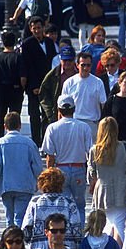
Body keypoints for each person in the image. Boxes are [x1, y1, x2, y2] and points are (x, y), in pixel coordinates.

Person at [40, 95, 93, 226]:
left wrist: (49, 172)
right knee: (80, 205)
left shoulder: (52, 128)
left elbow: (50, 155)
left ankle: (65, 232)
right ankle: (79, 233)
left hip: (61, 169)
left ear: (59, 110)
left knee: (63, 204)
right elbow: (90, 152)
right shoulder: (83, 127)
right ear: (74, 109)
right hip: (79, 168)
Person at [0, 112, 43, 227]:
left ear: (5, 126)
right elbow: (37, 166)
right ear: (20, 125)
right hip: (24, 186)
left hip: (6, 186)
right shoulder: (29, 144)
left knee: (9, 218)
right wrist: (41, 183)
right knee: (20, 217)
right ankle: (19, 240)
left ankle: (10, 241)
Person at [88, 116, 126, 242]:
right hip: (121, 188)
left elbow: (91, 173)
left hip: (102, 191)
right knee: (119, 224)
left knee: (104, 225)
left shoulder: (95, 150)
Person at [21, 168, 82, 249]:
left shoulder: (35, 202)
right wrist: (77, 244)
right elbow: (76, 228)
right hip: (65, 248)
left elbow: (26, 227)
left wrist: (29, 241)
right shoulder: (69, 203)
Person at [20, 16, 58, 144]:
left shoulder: (49, 42)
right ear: (30, 29)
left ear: (43, 28)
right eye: (34, 28)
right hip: (34, 86)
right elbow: (27, 66)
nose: (37, 31)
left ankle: (46, 140)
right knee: (34, 115)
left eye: (39, 28)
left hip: (49, 85)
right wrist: (34, 86)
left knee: (48, 114)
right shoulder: (27, 44)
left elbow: (53, 61)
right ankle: (36, 140)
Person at [60, 50, 106, 140]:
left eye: (88, 65)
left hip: (92, 124)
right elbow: (62, 105)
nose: (85, 68)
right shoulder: (69, 82)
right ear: (77, 65)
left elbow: (103, 105)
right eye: (83, 65)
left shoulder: (98, 82)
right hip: (74, 122)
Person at [39, 44, 77, 125]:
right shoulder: (52, 75)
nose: (67, 63)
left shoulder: (80, 73)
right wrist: (50, 114)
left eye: (70, 60)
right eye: (64, 60)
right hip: (57, 115)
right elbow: (44, 95)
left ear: (74, 59)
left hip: (77, 114)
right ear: (60, 59)